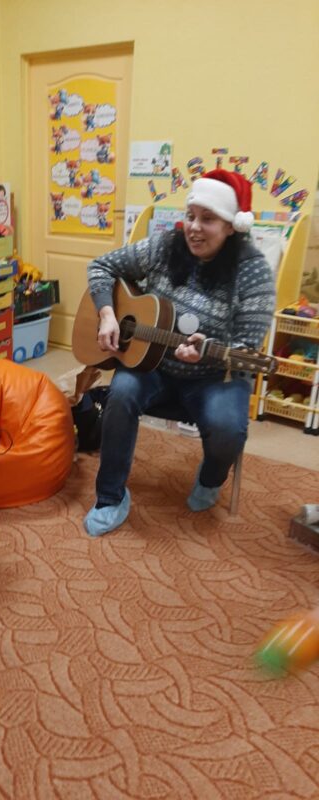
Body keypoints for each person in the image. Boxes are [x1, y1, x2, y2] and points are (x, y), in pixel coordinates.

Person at [84, 169, 275, 536]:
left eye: (208, 219)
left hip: (215, 375)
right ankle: (109, 497)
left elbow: (248, 347)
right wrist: (107, 313)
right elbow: (101, 266)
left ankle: (211, 477)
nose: (194, 228)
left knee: (228, 428)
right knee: (120, 394)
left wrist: (208, 352)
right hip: (151, 364)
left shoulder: (253, 272)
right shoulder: (164, 246)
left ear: (231, 226)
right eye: (190, 216)